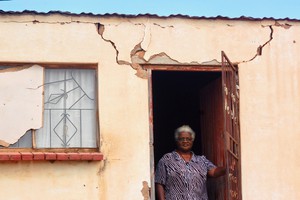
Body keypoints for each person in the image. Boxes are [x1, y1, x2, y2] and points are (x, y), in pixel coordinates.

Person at [155, 125, 226, 200]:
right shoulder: (167, 159)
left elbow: (214, 172)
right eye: (181, 139)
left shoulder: (201, 160)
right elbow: (159, 183)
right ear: (176, 140)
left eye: (188, 139)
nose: (185, 141)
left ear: (192, 140)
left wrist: (228, 168)